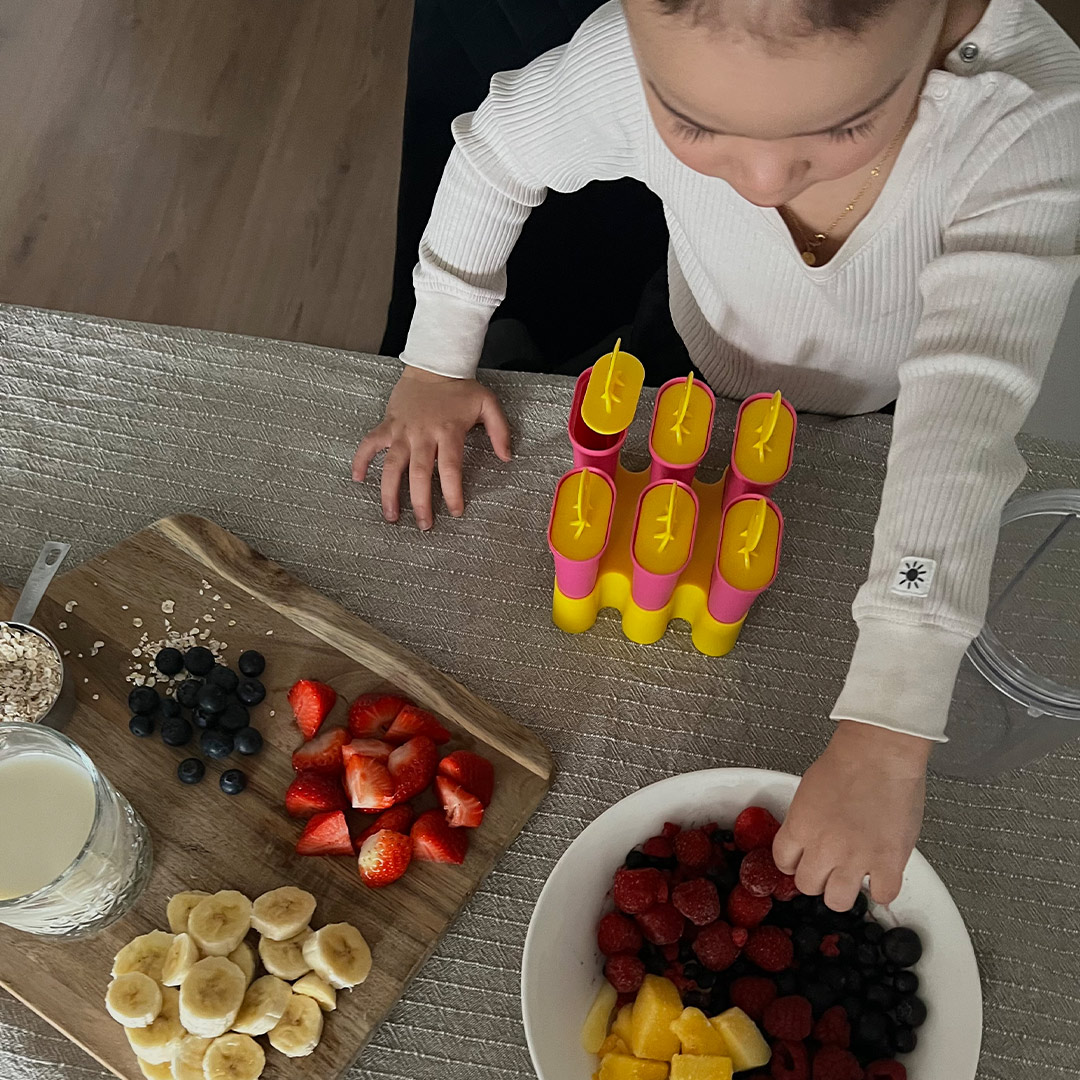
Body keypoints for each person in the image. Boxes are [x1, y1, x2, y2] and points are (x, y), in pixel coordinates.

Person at [355, 0, 1080, 910]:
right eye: (694, 124)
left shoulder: (1029, 125)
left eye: (848, 122)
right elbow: (499, 151)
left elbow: (958, 431)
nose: (765, 180)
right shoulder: (626, 54)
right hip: (688, 347)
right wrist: (434, 356)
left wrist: (890, 727)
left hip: (879, 409)